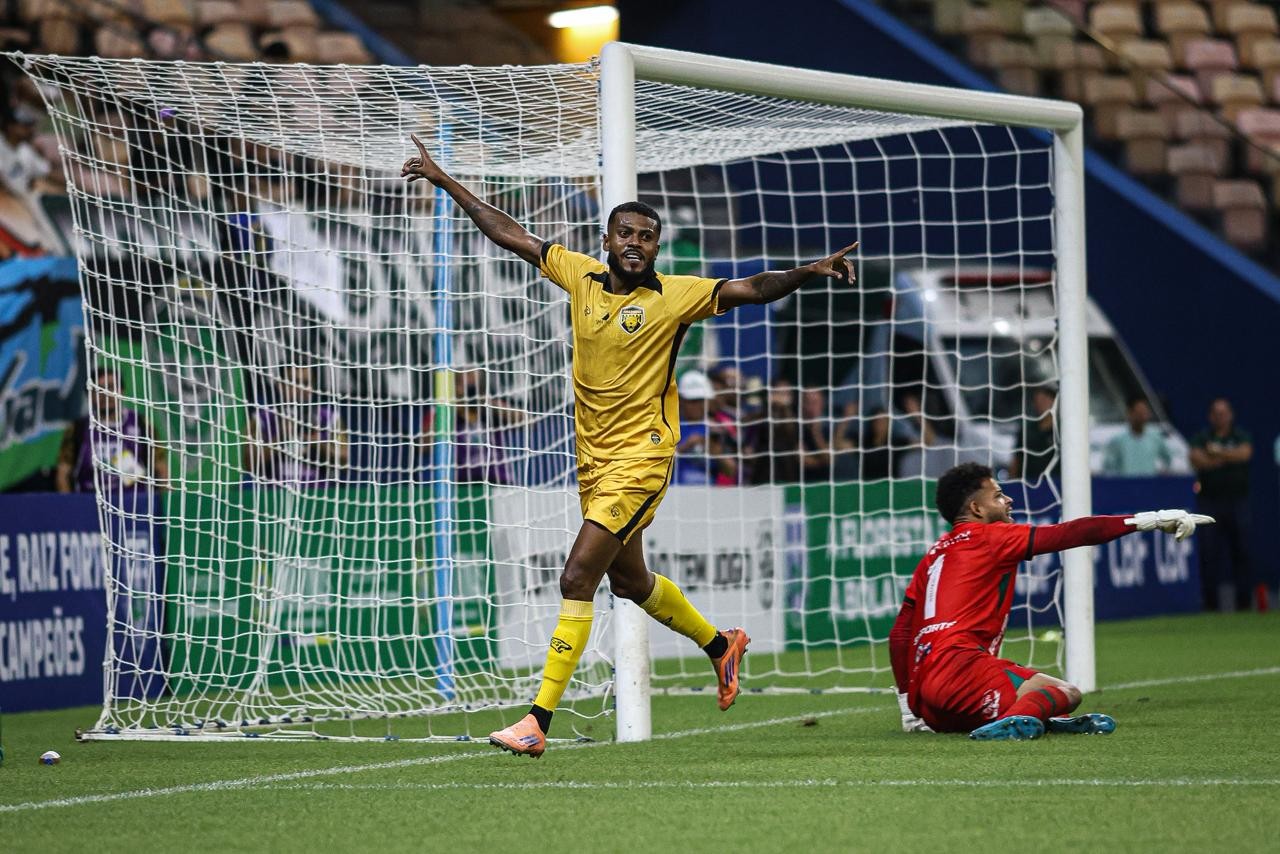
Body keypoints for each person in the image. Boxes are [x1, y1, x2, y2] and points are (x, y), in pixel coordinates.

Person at [402, 134, 858, 757]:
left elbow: (752, 287)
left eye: (647, 237)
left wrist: (808, 270)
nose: (636, 244)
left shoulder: (674, 297)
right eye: (627, 234)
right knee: (632, 580)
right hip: (593, 457)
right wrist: (443, 179)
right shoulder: (579, 276)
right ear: (609, 239)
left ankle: (537, 722)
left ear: (656, 248)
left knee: (576, 575)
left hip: (642, 457)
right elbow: (508, 232)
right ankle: (721, 646)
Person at [889, 462, 1212, 740]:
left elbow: (901, 633)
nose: (1008, 500)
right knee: (1066, 692)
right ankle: (1022, 719)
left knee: (1035, 693)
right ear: (977, 509)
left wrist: (909, 706)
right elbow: (1073, 533)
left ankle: (1035, 720)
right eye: (998, 495)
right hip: (961, 670)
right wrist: (1149, 520)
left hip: (929, 697)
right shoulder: (992, 536)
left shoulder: (935, 553)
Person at [56, 368, 168, 495]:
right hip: (88, 505)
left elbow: (162, 471)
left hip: (136, 505)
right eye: (99, 389)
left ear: (122, 391)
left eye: (111, 387)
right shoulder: (78, 428)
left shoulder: (142, 425)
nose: (105, 394)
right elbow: (63, 474)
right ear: (90, 395)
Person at [1189, 397, 1254, 611]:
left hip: (1237, 501)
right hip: (1210, 502)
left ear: (1231, 415)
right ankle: (1210, 605)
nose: (1220, 417)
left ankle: (1244, 604)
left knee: (1242, 551)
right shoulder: (1202, 437)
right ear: (1210, 416)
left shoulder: (1240, 435)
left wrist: (1217, 453)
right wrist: (1227, 457)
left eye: (1224, 413)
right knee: (1209, 554)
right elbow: (1196, 458)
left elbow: (1244, 453)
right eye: (1216, 413)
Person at [242, 364, 348, 487]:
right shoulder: (262, 419)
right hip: (273, 494)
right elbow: (249, 464)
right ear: (280, 385)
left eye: (305, 382)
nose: (299, 388)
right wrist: (280, 438)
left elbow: (345, 461)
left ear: (312, 387)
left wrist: (318, 443)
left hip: (319, 495)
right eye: (293, 382)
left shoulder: (329, 418)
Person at [1101, 396, 1172, 476]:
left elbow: (1168, 459)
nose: (1142, 416)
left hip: (1149, 485)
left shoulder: (1156, 438)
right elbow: (1108, 467)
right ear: (1129, 413)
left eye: (1144, 412)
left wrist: (1162, 475)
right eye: (1138, 413)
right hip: (1125, 485)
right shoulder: (1118, 441)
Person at [1009, 385, 1057, 482]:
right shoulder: (1026, 430)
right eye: (1037, 401)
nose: (1040, 404)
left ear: (1053, 401)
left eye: (1044, 400)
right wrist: (1011, 483)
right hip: (1029, 484)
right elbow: (1016, 460)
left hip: (1056, 484)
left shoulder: (1062, 432)